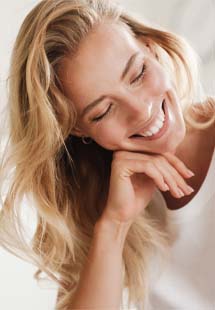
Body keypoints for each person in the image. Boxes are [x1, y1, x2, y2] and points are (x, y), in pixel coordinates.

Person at [0, 0, 214, 309]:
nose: (140, 110)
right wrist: (114, 226)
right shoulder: (97, 205)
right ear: (78, 130)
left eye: (138, 73)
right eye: (104, 111)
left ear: (151, 48)